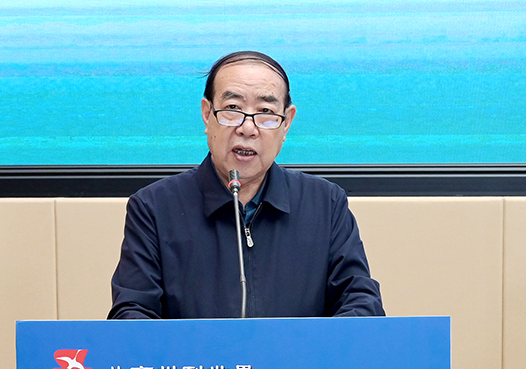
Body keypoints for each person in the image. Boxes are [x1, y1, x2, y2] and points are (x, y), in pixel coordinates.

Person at [108, 51, 384, 319]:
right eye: (232, 109)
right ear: (207, 114)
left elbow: (361, 302)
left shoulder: (325, 204)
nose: (248, 128)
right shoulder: (155, 207)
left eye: (265, 112)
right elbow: (132, 313)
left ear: (286, 123)